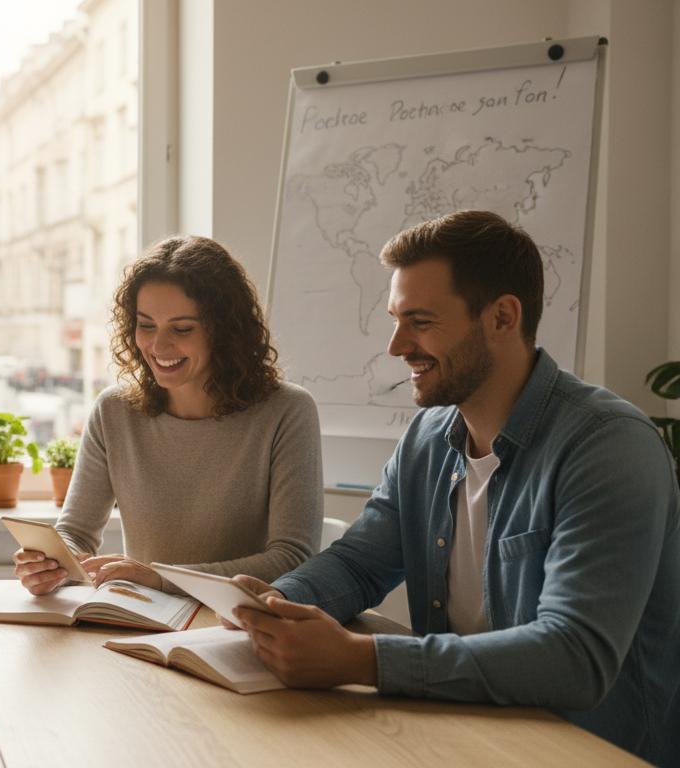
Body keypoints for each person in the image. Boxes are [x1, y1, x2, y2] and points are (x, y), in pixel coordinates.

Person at [227, 211, 679, 766]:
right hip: (466, 734)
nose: (396, 346)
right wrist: (276, 604)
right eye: (396, 319)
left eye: (420, 321)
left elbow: (575, 655)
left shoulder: (607, 446)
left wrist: (361, 660)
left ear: (502, 318)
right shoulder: (429, 435)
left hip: (589, 751)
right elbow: (360, 564)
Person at [13, 235, 322, 595]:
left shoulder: (286, 411)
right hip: (143, 623)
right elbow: (76, 533)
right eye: (146, 325)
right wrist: (51, 564)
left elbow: (292, 558)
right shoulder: (114, 411)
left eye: (182, 329)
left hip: (240, 626)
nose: (158, 346)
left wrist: (160, 578)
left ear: (225, 331)